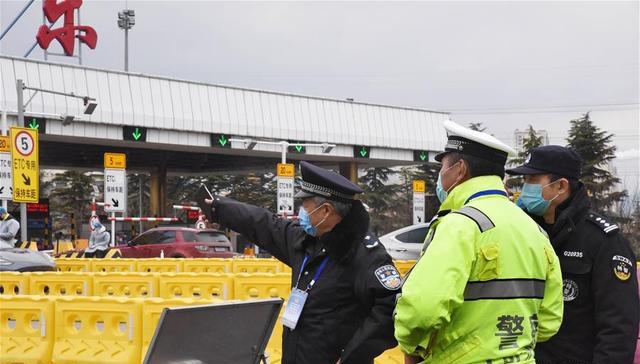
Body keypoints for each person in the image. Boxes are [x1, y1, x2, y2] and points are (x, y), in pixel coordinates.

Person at [394, 120, 564, 363]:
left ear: (460, 169)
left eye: (443, 167)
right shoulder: (535, 230)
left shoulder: (460, 225)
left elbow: (422, 309)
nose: (440, 176)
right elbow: (549, 320)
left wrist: (411, 346)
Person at [205, 161, 400, 364]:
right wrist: (220, 209)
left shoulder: (364, 254)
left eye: (305, 205)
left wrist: (353, 356)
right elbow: (265, 224)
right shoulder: (307, 240)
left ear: (326, 211)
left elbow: (390, 308)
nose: (302, 212)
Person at [507, 145, 639, 364]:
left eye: (532, 180)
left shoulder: (603, 241)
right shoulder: (525, 233)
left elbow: (618, 327)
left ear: (560, 186)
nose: (525, 187)